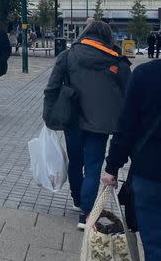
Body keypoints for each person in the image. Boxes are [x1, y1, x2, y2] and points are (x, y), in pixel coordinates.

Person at [43, 20, 130, 229]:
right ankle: (86, 213)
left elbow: (52, 87)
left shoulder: (68, 55)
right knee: (93, 167)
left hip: (72, 118)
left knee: (75, 161)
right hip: (100, 123)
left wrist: (49, 116)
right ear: (108, 37)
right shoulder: (116, 60)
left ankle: (77, 199)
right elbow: (129, 93)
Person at [102, 58, 161, 258]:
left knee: (154, 243)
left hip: (150, 172)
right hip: (149, 174)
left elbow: (126, 126)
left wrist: (112, 166)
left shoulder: (145, 74)